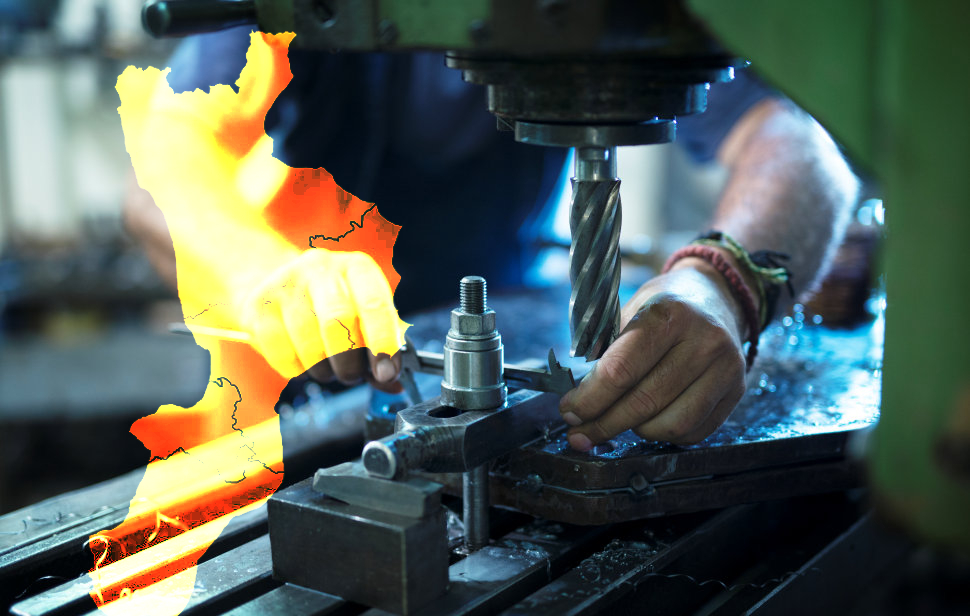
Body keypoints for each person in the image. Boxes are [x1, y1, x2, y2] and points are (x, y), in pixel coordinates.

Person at [124, 27, 858, 451]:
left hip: (511, 362)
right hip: (308, 388)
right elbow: (165, 166)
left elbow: (797, 142)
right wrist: (259, 270)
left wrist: (719, 281)